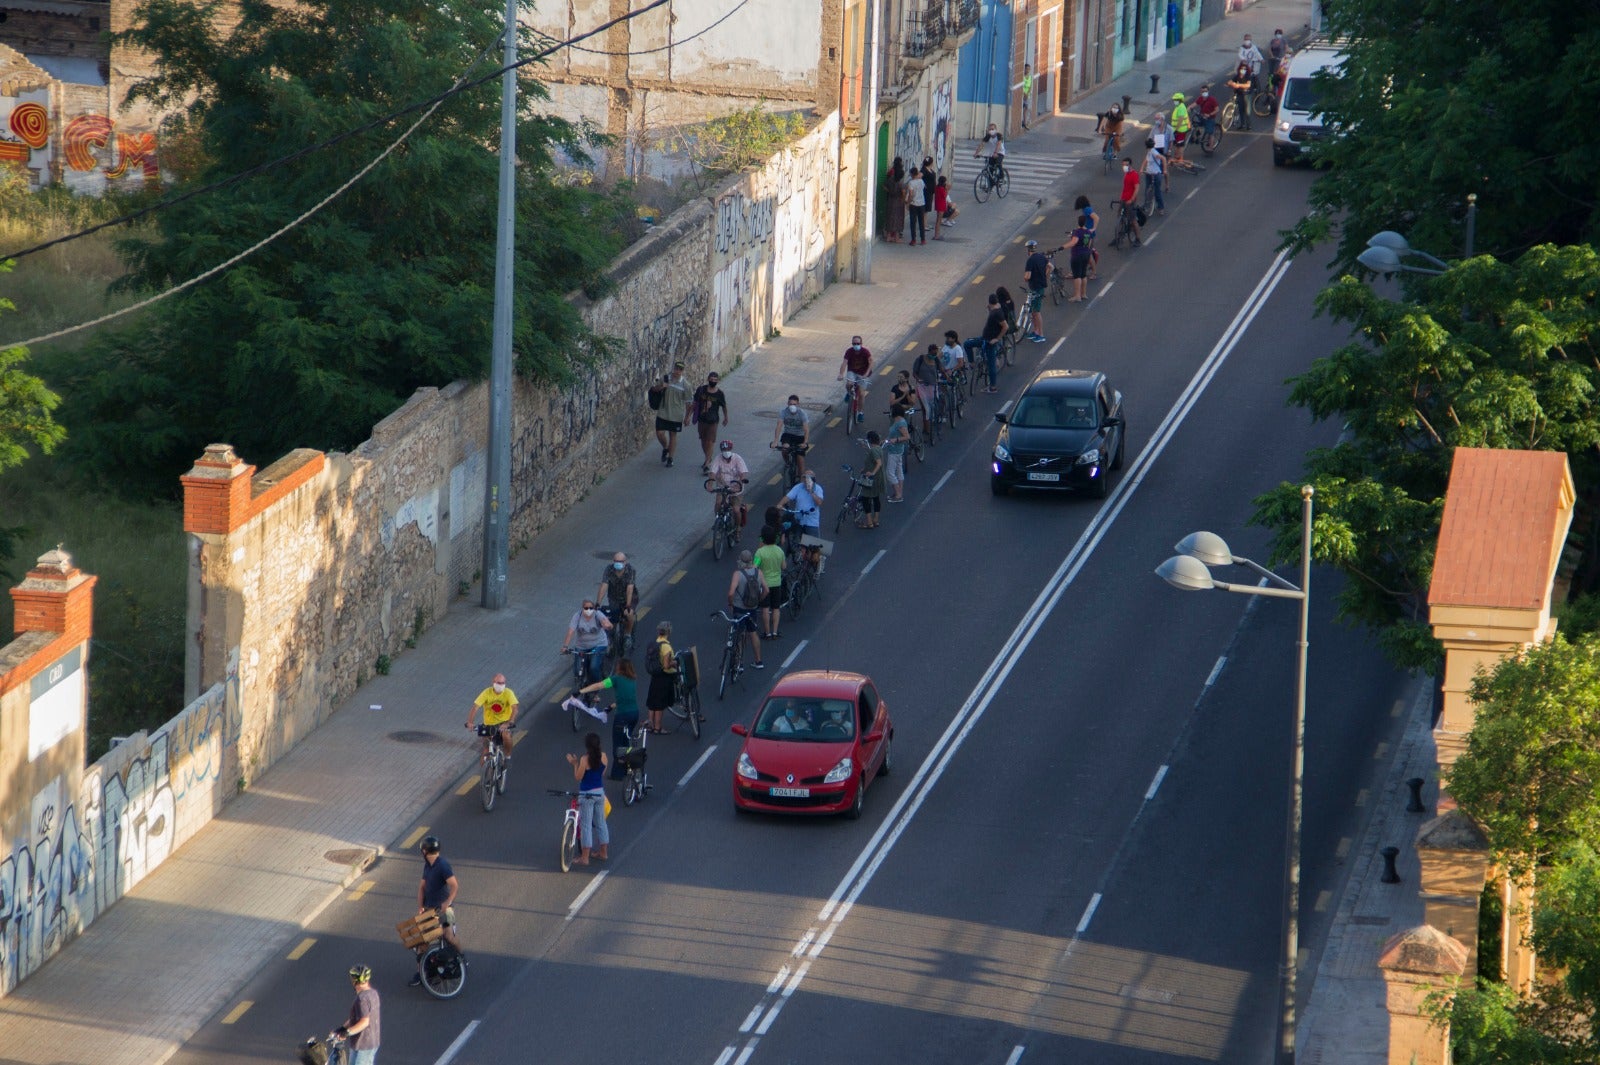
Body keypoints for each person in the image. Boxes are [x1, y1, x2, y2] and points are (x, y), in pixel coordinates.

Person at [578, 658, 639, 780]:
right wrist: (611, 707)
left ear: (619, 668)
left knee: (617, 745)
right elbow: (624, 698)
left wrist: (581, 691)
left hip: (622, 716)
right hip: (634, 714)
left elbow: (599, 685)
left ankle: (617, 774)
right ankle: (628, 768)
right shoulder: (632, 680)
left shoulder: (616, 679)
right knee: (626, 742)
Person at [411, 836, 460, 986]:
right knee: (422, 943)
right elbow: (422, 888)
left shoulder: (442, 865)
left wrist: (447, 902)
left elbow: (454, 885)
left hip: (444, 908)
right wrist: (420, 907)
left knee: (448, 936)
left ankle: (461, 956)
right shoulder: (427, 866)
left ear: (425, 851)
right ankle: (421, 973)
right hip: (429, 909)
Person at [564, 732, 608, 866]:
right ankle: (603, 852)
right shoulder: (604, 756)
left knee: (586, 825)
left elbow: (578, 777)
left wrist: (574, 764)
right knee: (601, 822)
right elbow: (602, 773)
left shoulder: (584, 759)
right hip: (600, 793)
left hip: (586, 794)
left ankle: (585, 857)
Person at [465, 673, 518, 763]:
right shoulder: (486, 692)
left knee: (506, 736)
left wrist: (509, 723)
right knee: (486, 750)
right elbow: (475, 707)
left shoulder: (508, 693)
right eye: (499, 683)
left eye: (503, 683)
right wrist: (470, 722)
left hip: (503, 722)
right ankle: (484, 773)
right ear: (493, 682)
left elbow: (515, 709)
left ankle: (507, 756)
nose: (501, 685)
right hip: (489, 724)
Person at [725, 549, 765, 669]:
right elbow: (766, 590)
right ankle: (758, 661)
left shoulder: (738, 574)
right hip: (752, 608)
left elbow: (731, 593)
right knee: (753, 633)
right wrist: (759, 600)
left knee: (739, 635)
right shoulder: (759, 572)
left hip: (739, 609)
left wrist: (730, 604)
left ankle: (739, 663)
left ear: (740, 561)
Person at [334, 965, 381, 1065]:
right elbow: (355, 1017)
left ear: (354, 981)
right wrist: (343, 1027)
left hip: (364, 1045)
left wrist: (346, 1032)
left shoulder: (362, 999)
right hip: (366, 1043)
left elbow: (364, 1022)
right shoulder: (373, 993)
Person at [781, 472, 825, 573]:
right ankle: (802, 559)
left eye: (808, 478)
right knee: (800, 543)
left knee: (814, 549)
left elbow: (819, 502)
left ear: (813, 479)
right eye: (804, 477)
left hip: (811, 522)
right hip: (799, 520)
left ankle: (818, 560)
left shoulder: (817, 488)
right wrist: (779, 504)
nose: (805, 480)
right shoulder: (798, 487)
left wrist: (811, 492)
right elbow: (788, 497)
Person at [560, 599, 612, 684]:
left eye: (591, 608)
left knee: (593, 667)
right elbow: (571, 632)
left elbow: (608, 624)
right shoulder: (577, 616)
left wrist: (607, 625)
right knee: (577, 670)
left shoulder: (597, 615)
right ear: (582, 608)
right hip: (581, 646)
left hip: (598, 645)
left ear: (594, 608)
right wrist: (565, 646)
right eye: (586, 608)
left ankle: (596, 690)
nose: (588, 610)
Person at [649, 362, 689, 467]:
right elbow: (654, 389)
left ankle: (670, 458)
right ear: (673, 368)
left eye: (680, 369)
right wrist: (662, 386)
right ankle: (665, 447)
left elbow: (689, 402)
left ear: (682, 371)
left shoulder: (686, 385)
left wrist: (687, 417)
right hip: (663, 412)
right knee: (660, 433)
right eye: (676, 368)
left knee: (673, 435)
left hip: (676, 415)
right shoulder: (665, 378)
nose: (677, 371)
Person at [750, 527, 787, 639]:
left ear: (763, 539)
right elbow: (784, 566)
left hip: (764, 584)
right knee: (776, 608)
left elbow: (754, 567)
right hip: (777, 583)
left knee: (765, 608)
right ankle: (775, 632)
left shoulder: (760, 552)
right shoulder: (779, 551)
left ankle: (767, 633)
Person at [708, 439, 750, 535]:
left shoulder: (737, 458)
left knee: (736, 509)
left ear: (731, 449)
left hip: (736, 488)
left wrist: (740, 483)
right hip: (722, 487)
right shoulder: (718, 458)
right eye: (724, 449)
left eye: (727, 448)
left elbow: (743, 473)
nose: (726, 451)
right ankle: (718, 521)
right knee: (718, 503)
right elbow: (712, 473)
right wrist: (710, 485)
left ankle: (738, 528)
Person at [643, 621, 678, 734]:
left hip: (655, 675)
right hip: (664, 677)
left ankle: (650, 724)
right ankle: (658, 728)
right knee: (660, 704)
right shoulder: (666, 647)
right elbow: (666, 665)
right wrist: (675, 663)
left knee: (652, 701)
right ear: (669, 632)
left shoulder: (654, 643)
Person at [691, 371, 729, 473]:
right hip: (702, 420)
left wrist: (726, 417)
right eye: (711, 380)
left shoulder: (720, 394)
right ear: (708, 379)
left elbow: (724, 406)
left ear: (717, 381)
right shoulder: (701, 390)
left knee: (710, 441)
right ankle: (708, 458)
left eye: (715, 380)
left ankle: (707, 463)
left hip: (713, 421)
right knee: (703, 441)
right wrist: (687, 416)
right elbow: (695, 403)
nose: (713, 382)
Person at [596, 552, 635, 647]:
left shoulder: (630, 570)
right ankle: (611, 639)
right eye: (616, 561)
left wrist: (628, 604)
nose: (618, 563)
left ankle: (628, 635)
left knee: (629, 614)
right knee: (611, 617)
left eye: (620, 561)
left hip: (628, 598)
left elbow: (630, 588)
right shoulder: (609, 569)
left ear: (625, 562)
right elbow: (604, 585)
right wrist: (598, 603)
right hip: (613, 598)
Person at [773, 393, 811, 479]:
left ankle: (801, 478)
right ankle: (788, 464)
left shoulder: (802, 414)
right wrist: (775, 441)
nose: (792, 406)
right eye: (790, 404)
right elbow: (779, 426)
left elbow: (806, 429)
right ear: (787, 404)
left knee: (800, 459)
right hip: (788, 434)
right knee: (784, 448)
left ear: (798, 404)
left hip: (800, 436)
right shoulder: (784, 412)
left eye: (794, 404)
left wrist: (805, 442)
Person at [838, 335, 873, 423]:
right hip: (852, 371)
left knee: (861, 394)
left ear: (861, 343)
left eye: (858, 343)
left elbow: (871, 362)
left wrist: (866, 374)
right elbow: (844, 363)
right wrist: (841, 374)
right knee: (849, 383)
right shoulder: (849, 351)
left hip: (863, 374)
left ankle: (860, 413)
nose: (856, 345)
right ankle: (848, 392)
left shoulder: (865, 352)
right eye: (854, 343)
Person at [1022, 240, 1050, 343]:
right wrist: (1044, 276)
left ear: (1028, 249)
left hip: (1035, 287)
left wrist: (1025, 278)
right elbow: (1050, 267)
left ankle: (1041, 334)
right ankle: (1035, 331)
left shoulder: (1030, 261)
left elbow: (1027, 276)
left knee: (1036, 312)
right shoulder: (1042, 257)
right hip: (1040, 286)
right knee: (1033, 311)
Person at [857, 431, 885, 528]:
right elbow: (872, 462)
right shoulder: (878, 449)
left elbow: (878, 463)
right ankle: (876, 519)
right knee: (876, 498)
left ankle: (869, 521)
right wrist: (864, 469)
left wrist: (872, 473)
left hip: (872, 479)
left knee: (865, 498)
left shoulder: (873, 451)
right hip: (879, 478)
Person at [884, 407, 910, 503]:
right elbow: (892, 435)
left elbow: (907, 436)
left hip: (894, 451)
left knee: (890, 473)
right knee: (899, 471)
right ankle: (899, 493)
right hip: (897, 449)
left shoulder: (900, 423)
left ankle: (898, 494)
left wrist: (896, 440)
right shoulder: (898, 421)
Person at [912, 343, 942, 423]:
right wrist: (918, 379)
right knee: (926, 406)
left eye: (936, 353)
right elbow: (914, 373)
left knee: (934, 403)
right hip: (922, 387)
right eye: (933, 353)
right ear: (929, 351)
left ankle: (937, 417)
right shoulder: (920, 359)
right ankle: (928, 422)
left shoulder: (936, 359)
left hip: (933, 386)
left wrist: (947, 377)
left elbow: (941, 369)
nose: (935, 355)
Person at [1065, 217, 1092, 302]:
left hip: (1077, 255)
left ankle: (1077, 296)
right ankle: (1083, 294)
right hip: (1086, 254)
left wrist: (1062, 247)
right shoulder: (1088, 232)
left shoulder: (1077, 232)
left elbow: (1074, 242)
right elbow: (1089, 244)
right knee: (1083, 274)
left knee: (1077, 275)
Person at [1073, 196, 1100, 279]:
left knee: (1087, 254)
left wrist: (1093, 228)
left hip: (1089, 236)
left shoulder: (1087, 210)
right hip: (1086, 234)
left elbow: (1096, 218)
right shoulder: (1085, 209)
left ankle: (1094, 273)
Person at [902, 163, 927, 246]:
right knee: (921, 222)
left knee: (913, 223)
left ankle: (913, 240)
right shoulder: (921, 181)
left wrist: (908, 203)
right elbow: (924, 188)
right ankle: (923, 239)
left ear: (912, 174)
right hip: (922, 203)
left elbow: (911, 194)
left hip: (914, 204)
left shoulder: (911, 183)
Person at [1140, 137, 1166, 216]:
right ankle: (1147, 205)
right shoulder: (1149, 152)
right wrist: (1142, 168)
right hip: (1148, 173)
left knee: (1157, 191)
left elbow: (1163, 159)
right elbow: (1146, 160)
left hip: (1155, 174)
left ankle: (1161, 207)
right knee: (1147, 190)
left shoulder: (1154, 152)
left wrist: (1164, 170)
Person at [882, 157, 906, 242]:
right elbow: (903, 192)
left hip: (891, 200)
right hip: (898, 201)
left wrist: (890, 192)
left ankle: (888, 236)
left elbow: (884, 186)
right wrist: (903, 199)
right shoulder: (900, 182)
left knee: (890, 217)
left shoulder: (890, 179)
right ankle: (896, 237)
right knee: (898, 218)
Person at [1227, 63, 1254, 130]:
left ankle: (1249, 125)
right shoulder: (1237, 76)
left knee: (1247, 111)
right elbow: (1230, 81)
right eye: (1242, 68)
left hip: (1246, 95)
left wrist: (1239, 85)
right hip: (1239, 94)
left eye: (1244, 69)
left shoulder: (1248, 76)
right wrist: (1231, 83)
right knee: (1241, 110)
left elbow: (1248, 85)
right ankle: (1242, 125)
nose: (1243, 70)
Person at [1170, 92, 1190, 164]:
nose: (1174, 101)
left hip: (1180, 129)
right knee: (1178, 144)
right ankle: (1177, 157)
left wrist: (1177, 129)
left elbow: (1181, 119)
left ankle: (1180, 159)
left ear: (1180, 100)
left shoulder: (1181, 107)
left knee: (1180, 144)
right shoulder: (1179, 106)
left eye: (1176, 100)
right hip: (1178, 129)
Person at [1019, 63, 1034, 128]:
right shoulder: (1022, 77)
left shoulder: (1030, 77)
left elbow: (1030, 86)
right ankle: (1022, 121)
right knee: (1022, 107)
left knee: (1026, 108)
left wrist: (1027, 94)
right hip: (1022, 94)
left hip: (1027, 95)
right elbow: (1021, 86)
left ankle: (1025, 122)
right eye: (1026, 69)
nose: (1027, 70)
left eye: (1029, 69)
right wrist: (1024, 94)